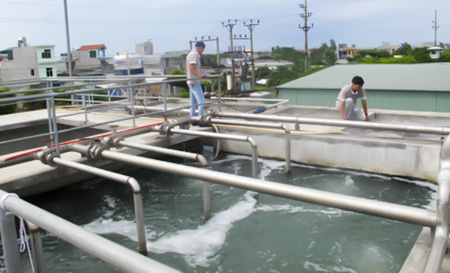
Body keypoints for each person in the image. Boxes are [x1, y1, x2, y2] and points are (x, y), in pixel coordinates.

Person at [186, 41, 207, 117]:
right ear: (199, 47)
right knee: (201, 101)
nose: (202, 51)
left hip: (191, 81)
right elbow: (191, 67)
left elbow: (188, 68)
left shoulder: (191, 54)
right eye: (202, 49)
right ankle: (201, 117)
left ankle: (192, 117)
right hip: (194, 81)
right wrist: (199, 75)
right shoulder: (193, 54)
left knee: (193, 102)